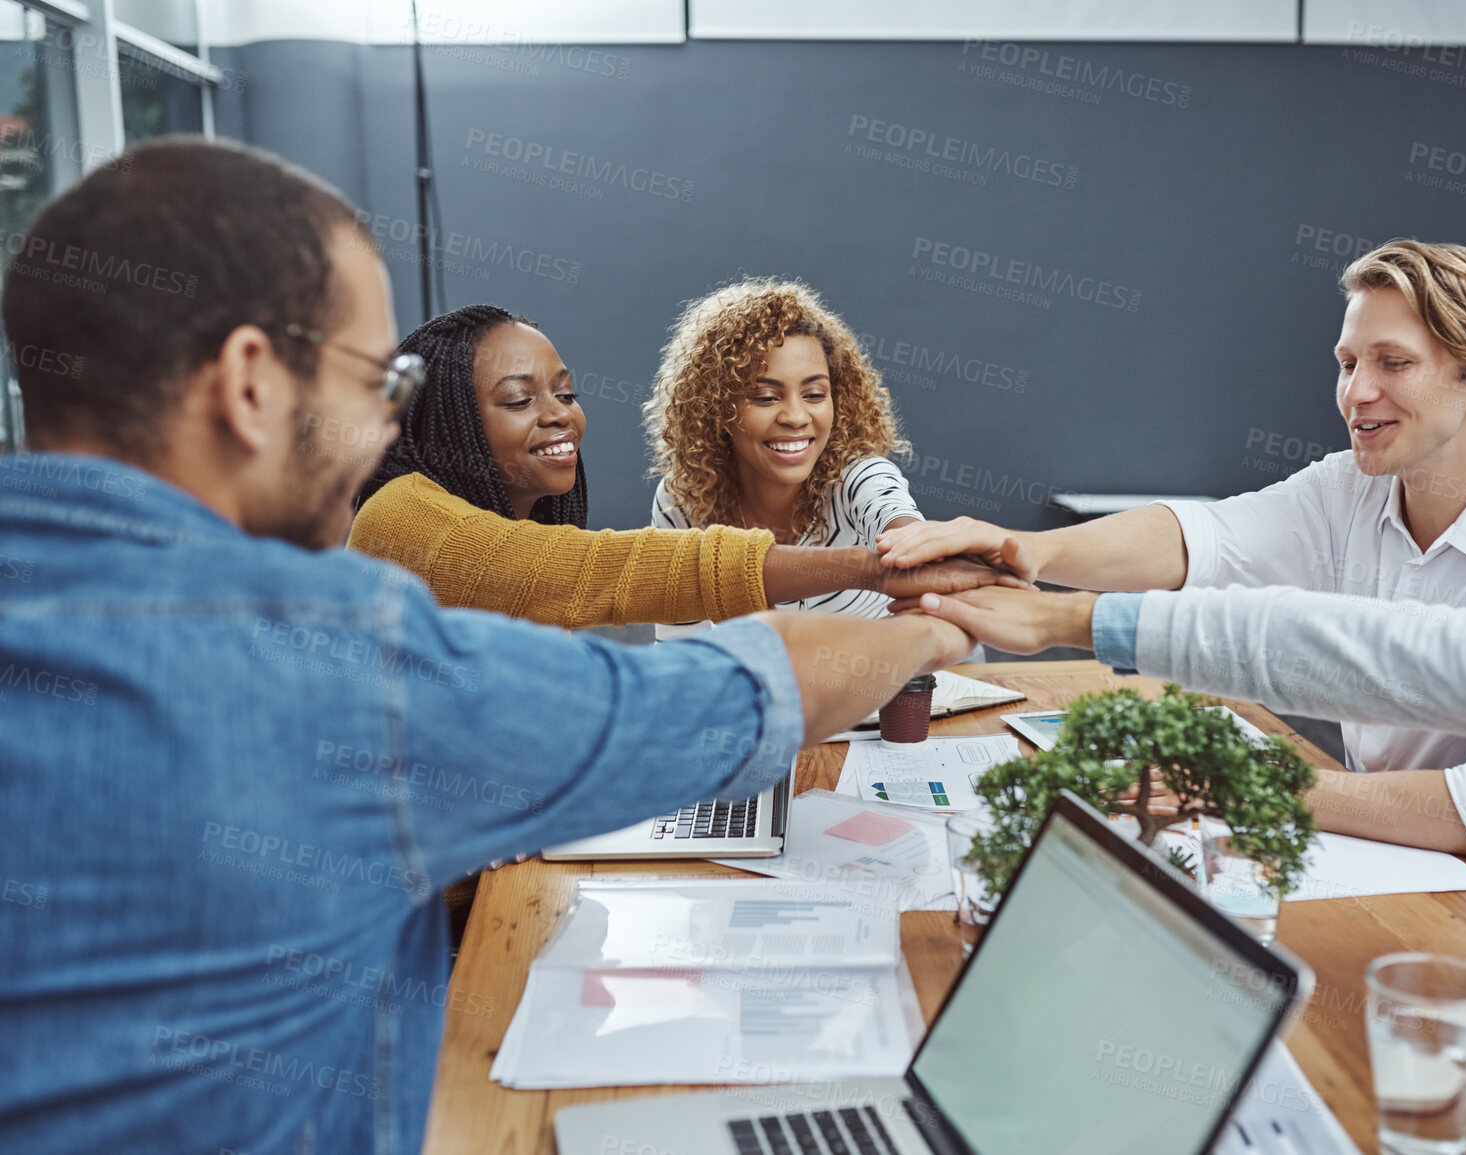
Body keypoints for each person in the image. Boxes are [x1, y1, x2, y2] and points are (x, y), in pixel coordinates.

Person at [0, 137, 974, 1152]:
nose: (384, 428)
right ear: (251, 383)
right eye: (374, 382)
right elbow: (726, 695)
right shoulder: (328, 655)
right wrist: (941, 621)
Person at [909, 288, 1466, 1105]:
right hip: (1378, 867)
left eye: (1391, 363)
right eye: (1346, 362)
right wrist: (1052, 583)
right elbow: (1363, 645)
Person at [881, 241, 1466, 902]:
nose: (1355, 392)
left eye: (1391, 363)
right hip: (1375, 854)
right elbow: (1204, 538)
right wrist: (1030, 550)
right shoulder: (1350, 486)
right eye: (1346, 363)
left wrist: (1247, 789)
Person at [349, 304, 1008, 631]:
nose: (561, 417)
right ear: (446, 418)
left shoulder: (857, 475)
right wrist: (876, 566)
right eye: (521, 400)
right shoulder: (398, 515)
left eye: (567, 393)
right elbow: (610, 572)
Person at [644, 278, 925, 638]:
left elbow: (917, 550)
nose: (795, 417)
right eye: (765, 397)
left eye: (814, 394)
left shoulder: (859, 479)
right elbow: (678, 653)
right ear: (716, 408)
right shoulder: (682, 502)